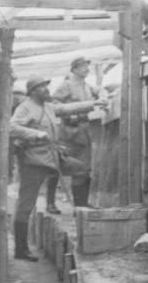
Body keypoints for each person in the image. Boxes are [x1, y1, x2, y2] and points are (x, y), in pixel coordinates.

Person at [10, 75, 106, 261]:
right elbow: (11, 128)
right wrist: (37, 134)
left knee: (81, 169)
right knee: (25, 206)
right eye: (43, 87)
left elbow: (66, 108)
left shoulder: (48, 107)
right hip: (33, 162)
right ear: (33, 91)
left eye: (47, 86)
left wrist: (94, 103)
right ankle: (20, 251)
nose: (47, 90)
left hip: (54, 157)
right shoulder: (24, 108)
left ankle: (80, 209)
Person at [50, 57, 108, 210]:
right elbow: (53, 103)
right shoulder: (66, 85)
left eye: (87, 66)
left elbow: (101, 90)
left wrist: (102, 96)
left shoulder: (87, 86)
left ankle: (81, 206)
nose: (86, 69)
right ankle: (50, 203)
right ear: (74, 69)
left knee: (84, 169)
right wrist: (69, 114)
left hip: (83, 133)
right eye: (83, 66)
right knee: (56, 167)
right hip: (67, 134)